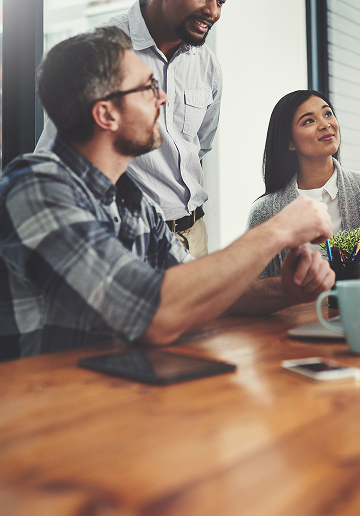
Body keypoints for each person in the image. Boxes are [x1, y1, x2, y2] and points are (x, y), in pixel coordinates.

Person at [0, 28, 334, 362]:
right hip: (49, 405)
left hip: (117, 392)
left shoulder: (131, 199)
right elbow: (154, 313)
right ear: (106, 114)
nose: (163, 98)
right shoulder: (37, 188)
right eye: (147, 87)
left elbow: (202, 291)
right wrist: (277, 231)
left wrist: (286, 290)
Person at [36, 0, 230, 258]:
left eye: (221, 0)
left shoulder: (207, 64)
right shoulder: (103, 50)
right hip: (123, 237)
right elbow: (59, 153)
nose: (213, 11)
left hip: (195, 233)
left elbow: (200, 145)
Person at [247, 90, 360, 280]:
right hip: (295, 310)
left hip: (357, 308)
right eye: (309, 121)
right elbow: (255, 284)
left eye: (328, 114)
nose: (325, 124)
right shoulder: (263, 212)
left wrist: (339, 279)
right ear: (290, 142)